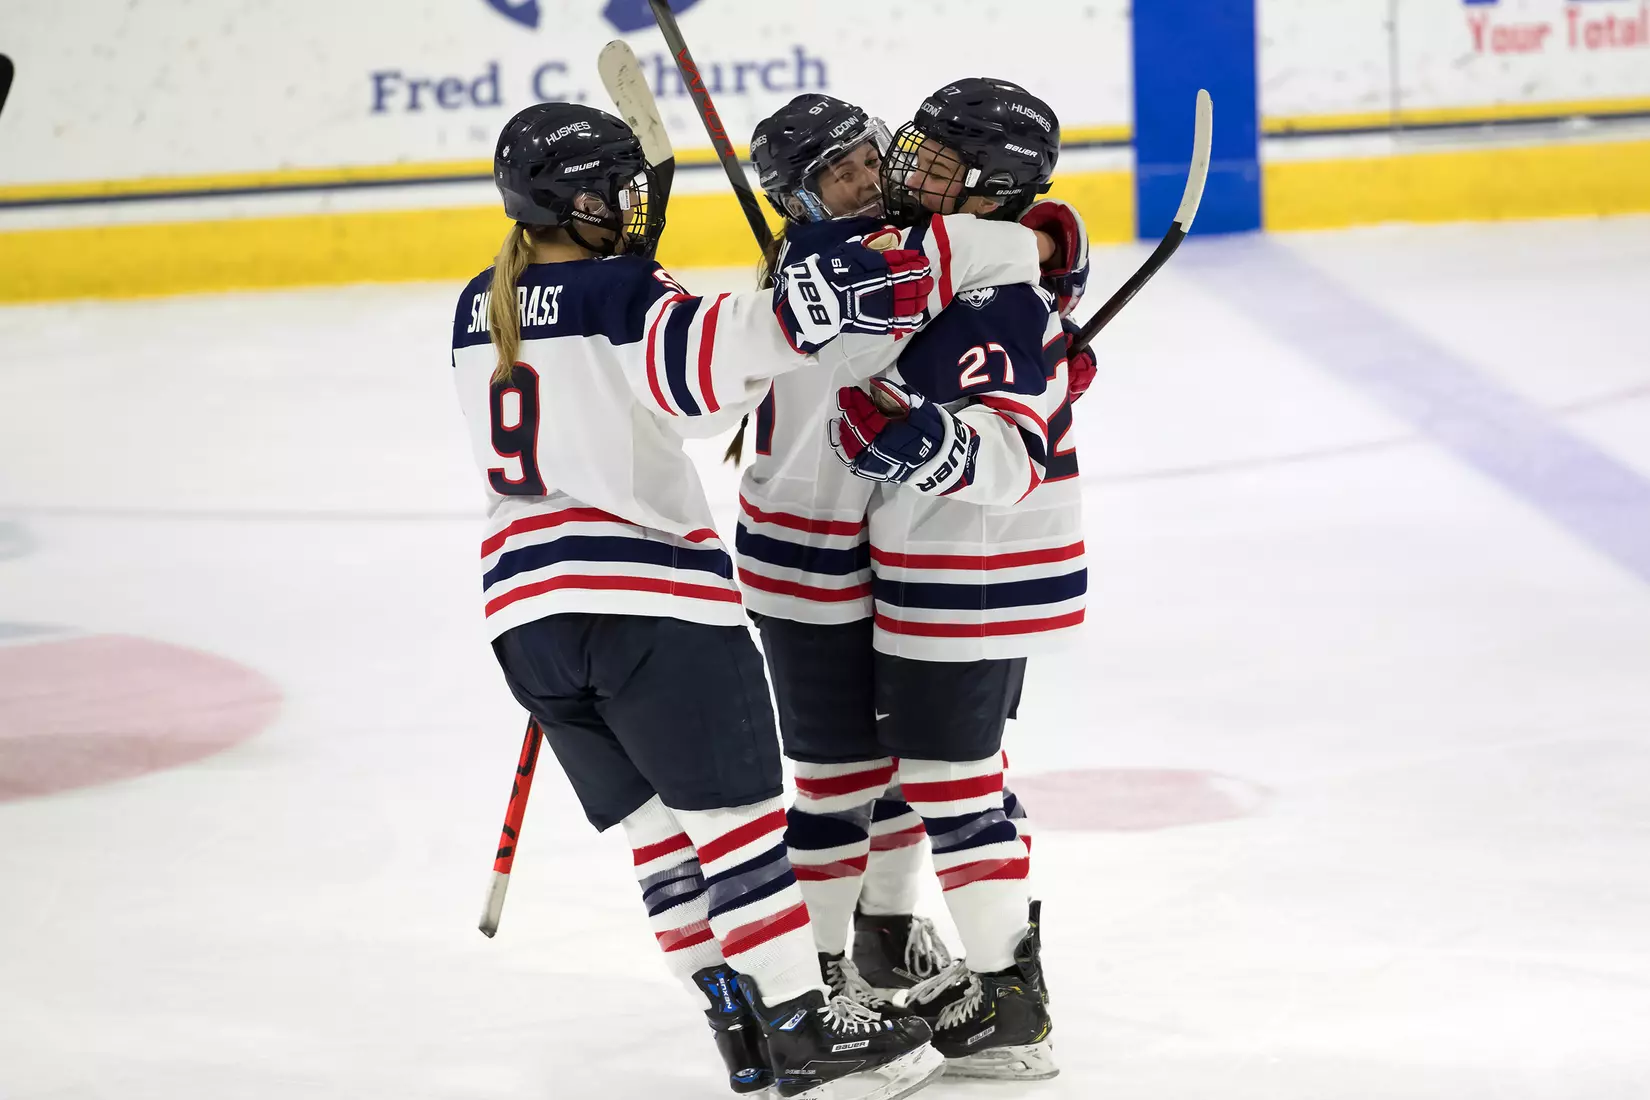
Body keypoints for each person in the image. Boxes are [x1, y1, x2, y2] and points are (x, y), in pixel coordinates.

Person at [450, 101, 954, 1100]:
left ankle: (742, 1027)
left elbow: (649, 367)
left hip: (526, 615)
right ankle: (808, 1033)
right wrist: (803, 308)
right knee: (736, 833)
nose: (637, 203)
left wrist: (709, 312)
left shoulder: (479, 300)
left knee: (660, 839)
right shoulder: (623, 289)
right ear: (583, 198)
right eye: (620, 189)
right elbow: (702, 374)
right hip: (648, 605)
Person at [736, 91, 1091, 1035]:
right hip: (811, 562)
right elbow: (973, 266)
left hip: (914, 561)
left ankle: (894, 940)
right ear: (797, 204)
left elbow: (988, 283)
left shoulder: (898, 252)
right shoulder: (850, 272)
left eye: (872, 157)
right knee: (848, 777)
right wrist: (1039, 260)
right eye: (838, 175)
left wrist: (1039, 296)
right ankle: (830, 979)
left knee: (921, 770)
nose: (876, 180)